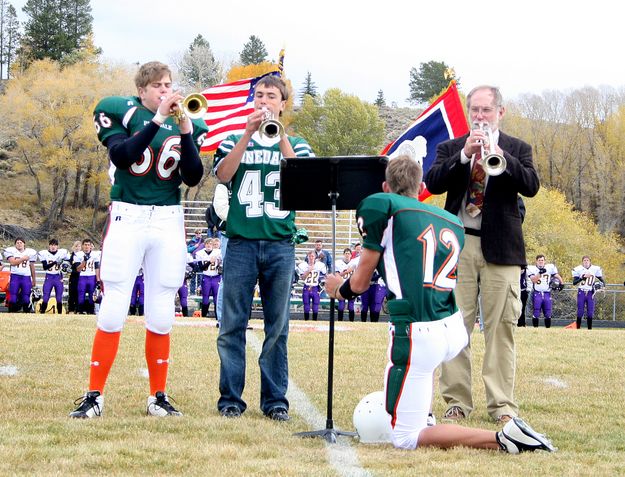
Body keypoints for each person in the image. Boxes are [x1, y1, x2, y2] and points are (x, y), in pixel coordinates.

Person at [325, 155, 554, 453]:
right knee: (416, 392)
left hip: (418, 330)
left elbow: (359, 284)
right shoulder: (451, 220)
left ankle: (503, 438)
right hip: (452, 325)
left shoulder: (381, 204)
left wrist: (337, 290)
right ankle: (426, 415)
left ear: (385, 186)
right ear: (421, 186)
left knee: (406, 437)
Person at [69, 61, 207, 418]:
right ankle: (94, 395)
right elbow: (123, 155)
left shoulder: (186, 121)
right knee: (115, 304)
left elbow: (192, 176)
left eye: (169, 84)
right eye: (158, 85)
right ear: (142, 90)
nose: (166, 90)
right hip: (127, 214)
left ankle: (158, 396)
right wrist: (158, 120)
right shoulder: (122, 110)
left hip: (166, 218)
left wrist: (187, 132)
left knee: (162, 310)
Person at [425, 85, 540, 424]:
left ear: (500, 113)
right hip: (457, 247)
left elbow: (531, 185)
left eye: (486, 110)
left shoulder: (518, 148)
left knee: (501, 328)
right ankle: (457, 401)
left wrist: (501, 158)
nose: (479, 116)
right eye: (474, 110)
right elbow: (432, 182)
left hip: (501, 249)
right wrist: (463, 156)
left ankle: (502, 405)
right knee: (454, 327)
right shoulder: (451, 146)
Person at [214, 74, 314, 421]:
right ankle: (230, 399)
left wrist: (279, 135)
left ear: (283, 104)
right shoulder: (232, 138)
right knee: (231, 325)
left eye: (271, 96)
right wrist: (246, 134)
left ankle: (274, 402)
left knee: (277, 326)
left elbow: (304, 181)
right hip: (241, 241)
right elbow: (223, 175)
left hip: (280, 245)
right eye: (259, 95)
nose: (264, 101)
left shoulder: (297, 144)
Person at [526, 255, 563, 328]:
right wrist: (540, 273)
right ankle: (535, 329)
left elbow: (556, 275)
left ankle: (548, 329)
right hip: (537, 292)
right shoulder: (532, 269)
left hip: (547, 293)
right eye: (539, 260)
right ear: (536, 261)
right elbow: (533, 280)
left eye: (542, 260)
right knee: (536, 310)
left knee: (548, 311)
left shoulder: (549, 268)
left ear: (544, 261)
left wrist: (562, 283)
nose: (541, 262)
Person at [213, 182, 230, 327]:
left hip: (248, 233)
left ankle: (240, 318)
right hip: (229, 233)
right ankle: (222, 318)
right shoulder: (224, 184)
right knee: (227, 276)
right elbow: (221, 211)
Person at [3, 237, 37, 312]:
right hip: (15, 276)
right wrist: (23, 258)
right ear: (15, 244)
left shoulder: (30, 252)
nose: (19, 244)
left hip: (26, 277)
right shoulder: (11, 251)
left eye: (21, 242)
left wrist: (34, 279)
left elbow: (32, 267)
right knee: (13, 296)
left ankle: (26, 313)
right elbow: (12, 262)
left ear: (24, 244)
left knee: (26, 296)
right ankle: (11, 312)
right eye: (17, 242)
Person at [572, 256, 605, 330]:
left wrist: (603, 287)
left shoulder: (595, 269)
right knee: (580, 311)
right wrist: (582, 278)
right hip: (581, 291)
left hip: (591, 292)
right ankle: (578, 328)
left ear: (590, 261)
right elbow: (574, 283)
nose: (586, 262)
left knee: (590, 312)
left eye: (587, 260)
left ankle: (589, 329)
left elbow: (601, 280)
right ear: (582, 262)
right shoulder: (578, 269)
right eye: (584, 260)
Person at [38, 239, 69, 314]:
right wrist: (55, 262)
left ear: (57, 246)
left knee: (59, 298)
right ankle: (42, 313)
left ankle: (59, 315)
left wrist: (66, 265)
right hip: (49, 277)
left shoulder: (62, 253)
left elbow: (69, 261)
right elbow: (45, 267)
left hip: (58, 277)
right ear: (49, 246)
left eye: (55, 245)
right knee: (45, 298)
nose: (53, 247)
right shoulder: (44, 253)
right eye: (51, 245)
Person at [195, 238, 222, 318]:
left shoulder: (218, 252)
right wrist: (210, 262)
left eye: (210, 244)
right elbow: (201, 268)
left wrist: (220, 264)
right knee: (205, 298)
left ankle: (218, 317)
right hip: (206, 277)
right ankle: (203, 316)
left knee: (216, 298)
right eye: (207, 244)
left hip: (216, 277)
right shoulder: (200, 253)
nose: (209, 245)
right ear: (205, 245)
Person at [72, 239, 100, 315]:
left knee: (92, 295)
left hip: (92, 276)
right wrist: (84, 261)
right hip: (82, 277)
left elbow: (97, 267)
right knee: (81, 294)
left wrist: (98, 279)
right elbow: (78, 269)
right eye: (85, 245)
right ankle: (80, 311)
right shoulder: (78, 254)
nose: (87, 247)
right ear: (83, 246)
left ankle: (91, 311)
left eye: (88, 245)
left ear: (91, 246)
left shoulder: (95, 254)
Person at [297, 250, 327, 321]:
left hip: (315, 287)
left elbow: (324, 275)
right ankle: (306, 320)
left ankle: (314, 321)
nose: (311, 257)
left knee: (315, 305)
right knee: (306, 305)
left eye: (312, 256)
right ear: (307, 257)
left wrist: (322, 282)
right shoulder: (303, 265)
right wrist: (308, 270)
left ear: (315, 257)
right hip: (306, 287)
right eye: (309, 256)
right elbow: (303, 277)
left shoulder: (320, 265)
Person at [334, 248, 356, 322]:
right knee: (341, 305)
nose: (347, 255)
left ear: (351, 255)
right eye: (346, 253)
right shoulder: (338, 263)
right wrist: (347, 272)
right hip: (342, 285)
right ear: (343, 254)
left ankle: (351, 322)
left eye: (348, 253)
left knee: (351, 305)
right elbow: (337, 275)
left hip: (351, 287)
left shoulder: (354, 263)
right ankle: (340, 321)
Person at [66, 240, 82, 314]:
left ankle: (78, 309)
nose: (77, 248)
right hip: (73, 277)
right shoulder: (71, 256)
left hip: (80, 276)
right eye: (76, 246)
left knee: (79, 293)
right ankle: (71, 309)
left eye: (79, 246)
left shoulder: (82, 255)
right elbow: (68, 266)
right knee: (72, 293)